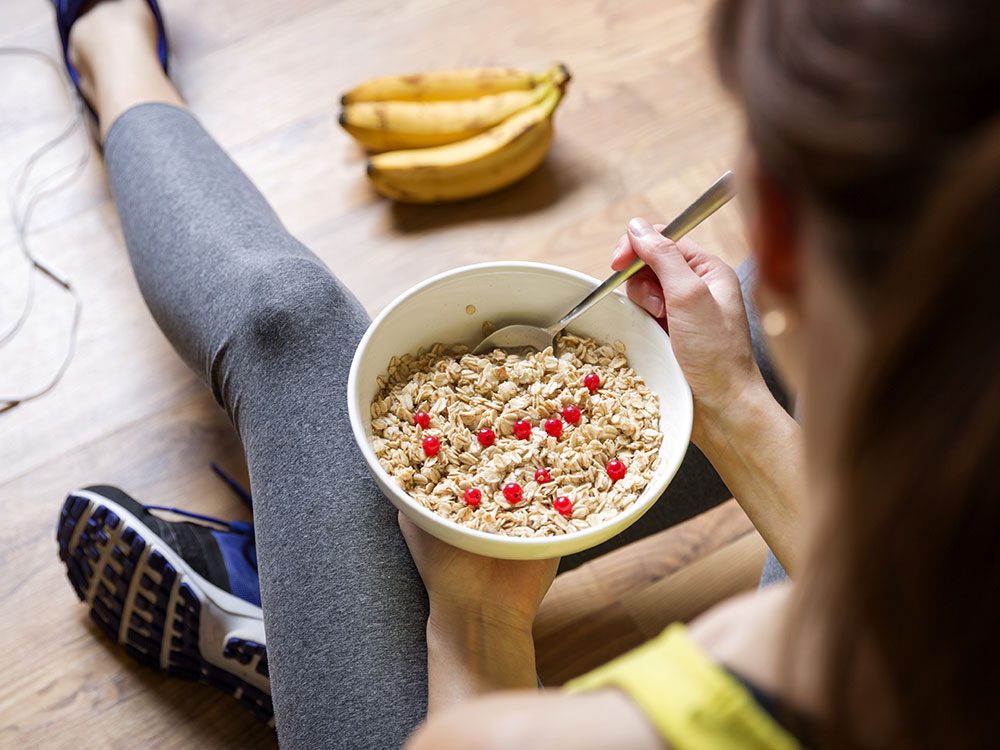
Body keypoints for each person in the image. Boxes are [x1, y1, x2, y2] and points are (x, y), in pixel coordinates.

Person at [51, 0, 999, 748]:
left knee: (287, 325)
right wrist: (737, 404)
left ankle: (113, 39)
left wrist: (477, 615)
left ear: (781, 231)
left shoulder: (693, 701)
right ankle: (317, 614)